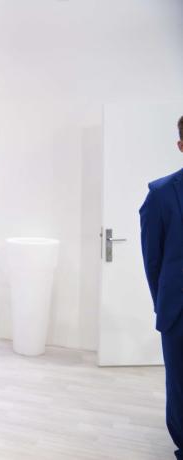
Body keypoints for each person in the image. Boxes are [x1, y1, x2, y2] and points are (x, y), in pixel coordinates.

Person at [139, 115, 183, 460]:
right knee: (180, 385)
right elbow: (152, 261)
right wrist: (164, 303)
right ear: (181, 146)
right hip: (179, 311)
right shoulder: (161, 194)